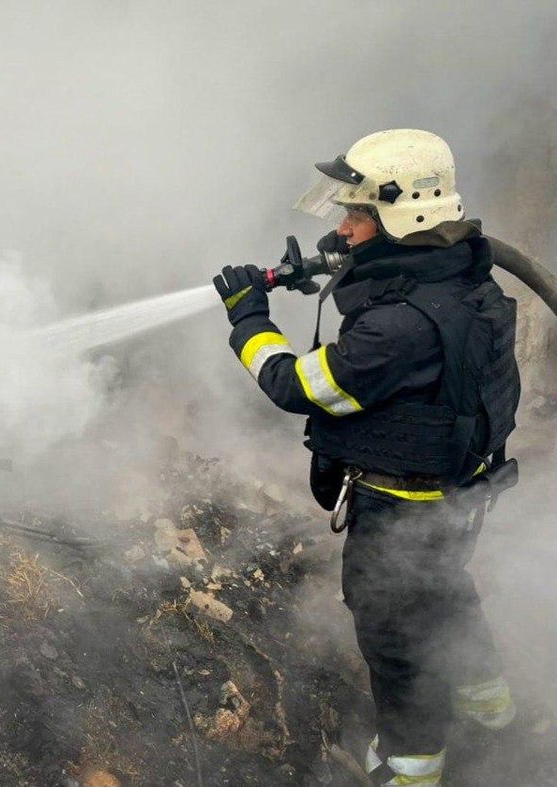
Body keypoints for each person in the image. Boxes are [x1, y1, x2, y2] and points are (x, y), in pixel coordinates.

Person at [212, 129, 520, 786]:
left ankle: (411, 770)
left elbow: (294, 385)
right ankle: (494, 714)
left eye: (358, 215)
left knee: (396, 646)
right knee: (449, 600)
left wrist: (249, 321)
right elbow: (395, 294)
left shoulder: (396, 328)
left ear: (403, 216)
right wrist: (331, 267)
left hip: (400, 511)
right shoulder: (462, 274)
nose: (345, 227)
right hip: (458, 497)